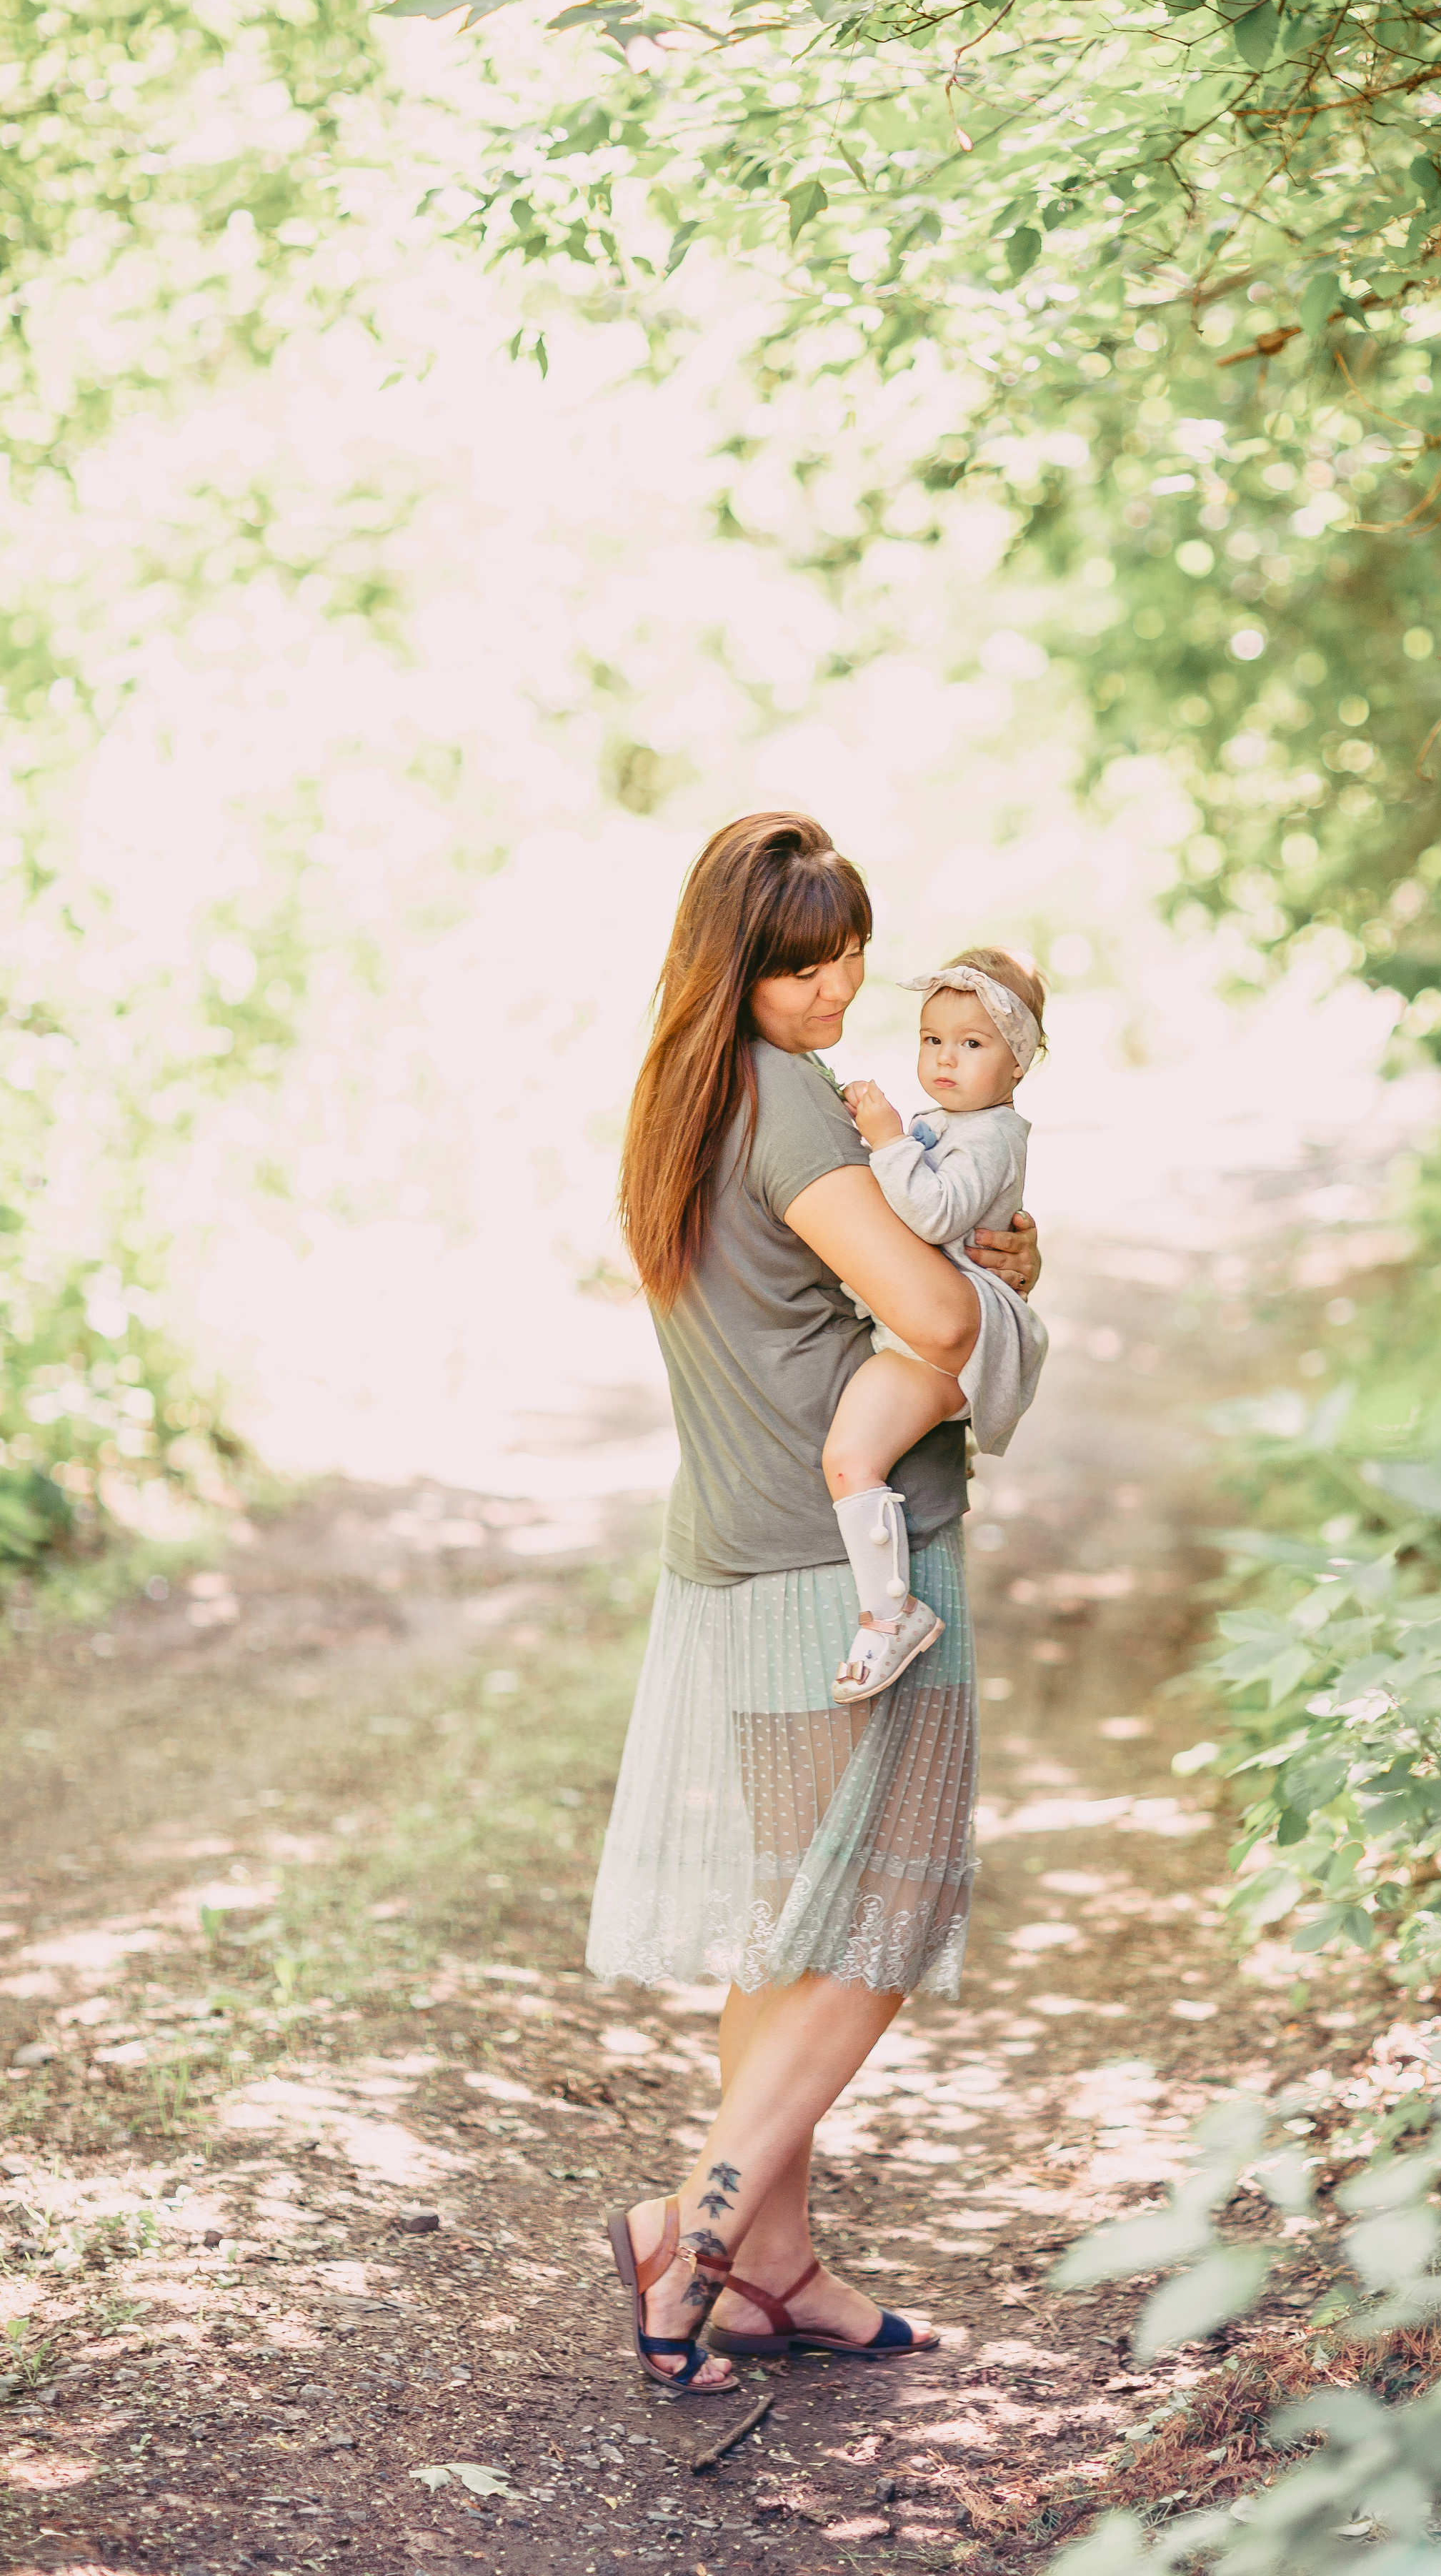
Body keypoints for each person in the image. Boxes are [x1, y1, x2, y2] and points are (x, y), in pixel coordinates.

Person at [589, 812, 1041, 2393]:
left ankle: (777, 2265)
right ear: (744, 963)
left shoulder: (688, 1086)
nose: (840, 983)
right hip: (842, 1558)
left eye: (853, 949)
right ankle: (693, 2238)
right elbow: (921, 1308)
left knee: (793, 1925)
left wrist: (974, 1260)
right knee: (880, 1924)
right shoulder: (790, 1102)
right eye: (803, 962)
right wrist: (994, 1288)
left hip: (736, 1544)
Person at [823, 949, 1049, 1704]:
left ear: (1018, 1063)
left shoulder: (990, 1135)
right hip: (927, 1336)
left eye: (973, 1043)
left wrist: (887, 1140)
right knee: (858, 1453)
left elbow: (936, 1211)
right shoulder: (953, 1122)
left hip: (939, 1345)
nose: (946, 1058)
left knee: (850, 1458)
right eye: (932, 1040)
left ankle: (891, 1616)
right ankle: (890, 1608)